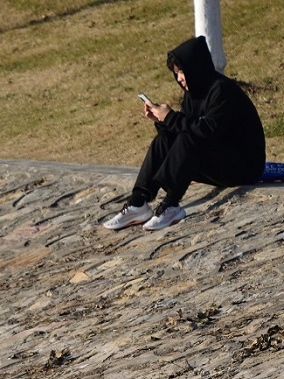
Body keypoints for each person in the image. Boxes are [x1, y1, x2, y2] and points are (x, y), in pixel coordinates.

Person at [104, 35, 266, 232]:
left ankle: (171, 205)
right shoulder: (193, 93)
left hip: (243, 166)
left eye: (182, 72)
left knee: (190, 138)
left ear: (196, 68)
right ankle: (139, 203)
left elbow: (209, 130)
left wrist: (171, 117)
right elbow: (185, 127)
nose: (179, 78)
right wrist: (162, 121)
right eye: (176, 73)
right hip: (217, 160)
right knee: (163, 139)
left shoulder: (222, 90)